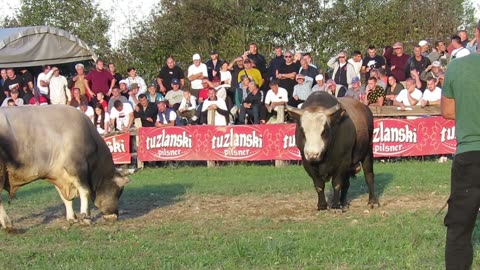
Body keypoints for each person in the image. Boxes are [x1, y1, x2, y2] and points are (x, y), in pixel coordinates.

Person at [442, 20, 480, 270]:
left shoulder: (458, 66)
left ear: (477, 34)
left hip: (470, 153)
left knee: (459, 227)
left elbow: (448, 111)